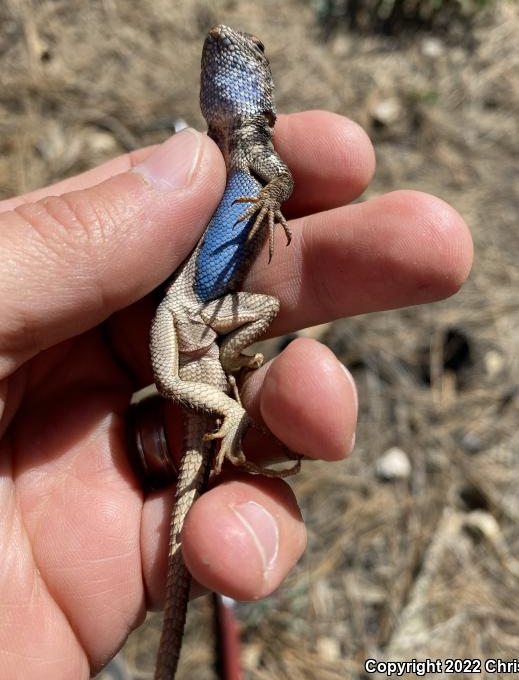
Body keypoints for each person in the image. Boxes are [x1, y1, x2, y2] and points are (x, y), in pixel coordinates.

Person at [0, 111, 472, 677]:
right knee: (192, 402)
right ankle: (225, 401)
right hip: (182, 305)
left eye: (248, 49)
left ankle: (225, 384)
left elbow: (285, 181)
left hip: (208, 314)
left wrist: (271, 198)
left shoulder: (256, 147)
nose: (226, 42)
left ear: (261, 89)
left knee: (268, 309)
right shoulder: (211, 151)